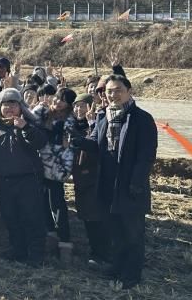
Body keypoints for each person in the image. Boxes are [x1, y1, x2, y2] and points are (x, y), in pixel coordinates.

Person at [71, 75, 157, 289]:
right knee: (115, 231)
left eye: (118, 90)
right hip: (108, 183)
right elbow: (95, 143)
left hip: (130, 185)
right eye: (109, 91)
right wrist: (78, 140)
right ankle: (116, 266)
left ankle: (131, 274)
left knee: (132, 233)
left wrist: (136, 182)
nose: (113, 95)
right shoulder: (104, 117)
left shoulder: (141, 118)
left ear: (129, 91)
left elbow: (146, 155)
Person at [0, 88, 48, 266]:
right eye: (5, 105)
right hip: (3, 181)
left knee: (32, 217)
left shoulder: (30, 124)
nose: (9, 108)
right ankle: (18, 249)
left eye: (13, 104)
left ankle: (36, 254)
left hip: (28, 180)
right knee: (10, 217)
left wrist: (25, 127)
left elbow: (40, 142)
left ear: (20, 107)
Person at [35, 87, 78, 262]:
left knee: (57, 205)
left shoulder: (69, 120)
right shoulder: (44, 113)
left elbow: (67, 146)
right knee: (43, 203)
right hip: (41, 165)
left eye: (63, 100)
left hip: (56, 168)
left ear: (69, 105)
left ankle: (64, 241)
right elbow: (31, 121)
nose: (58, 102)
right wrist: (40, 107)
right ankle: (50, 235)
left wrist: (62, 168)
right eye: (57, 98)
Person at [69, 93, 111, 267]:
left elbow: (98, 147)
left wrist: (93, 123)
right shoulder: (72, 125)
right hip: (80, 178)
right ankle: (95, 250)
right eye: (76, 106)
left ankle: (101, 253)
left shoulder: (97, 125)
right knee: (86, 215)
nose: (78, 109)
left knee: (96, 216)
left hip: (94, 177)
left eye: (82, 105)